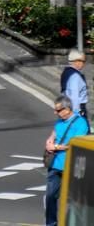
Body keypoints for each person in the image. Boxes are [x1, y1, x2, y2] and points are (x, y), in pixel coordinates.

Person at [45, 95, 90, 226]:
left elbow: (76, 144)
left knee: (73, 200)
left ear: (67, 109)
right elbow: (55, 131)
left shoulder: (80, 123)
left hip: (71, 167)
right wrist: (50, 139)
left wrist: (56, 147)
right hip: (55, 165)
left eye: (58, 110)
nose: (55, 113)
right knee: (50, 197)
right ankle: (51, 223)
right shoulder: (59, 121)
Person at [61, 49, 88, 120]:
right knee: (83, 130)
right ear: (77, 61)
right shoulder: (75, 76)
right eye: (83, 61)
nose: (84, 63)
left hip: (66, 106)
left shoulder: (66, 72)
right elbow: (74, 96)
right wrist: (75, 115)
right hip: (77, 109)